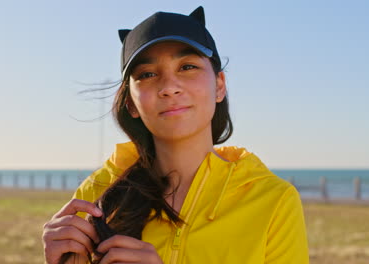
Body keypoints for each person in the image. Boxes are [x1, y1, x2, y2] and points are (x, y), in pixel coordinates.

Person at [42, 6, 309, 264]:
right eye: (147, 74)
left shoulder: (273, 200)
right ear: (131, 104)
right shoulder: (99, 193)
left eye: (187, 67)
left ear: (219, 85)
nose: (169, 87)